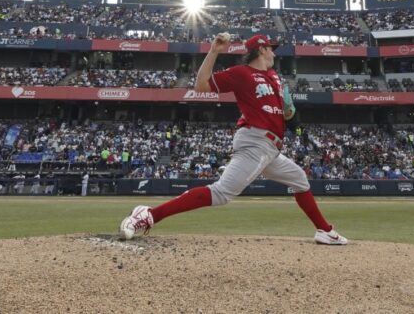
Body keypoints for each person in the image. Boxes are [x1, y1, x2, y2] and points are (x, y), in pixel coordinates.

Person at [119, 33, 347, 245]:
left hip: (271, 149)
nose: (274, 54)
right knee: (221, 193)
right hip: (255, 142)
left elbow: (286, 115)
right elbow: (201, 85)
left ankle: (324, 230)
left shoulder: (275, 78)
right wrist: (214, 51)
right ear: (261, 50)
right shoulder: (241, 73)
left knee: (299, 180)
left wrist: (288, 110)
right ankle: (148, 214)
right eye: (271, 49)